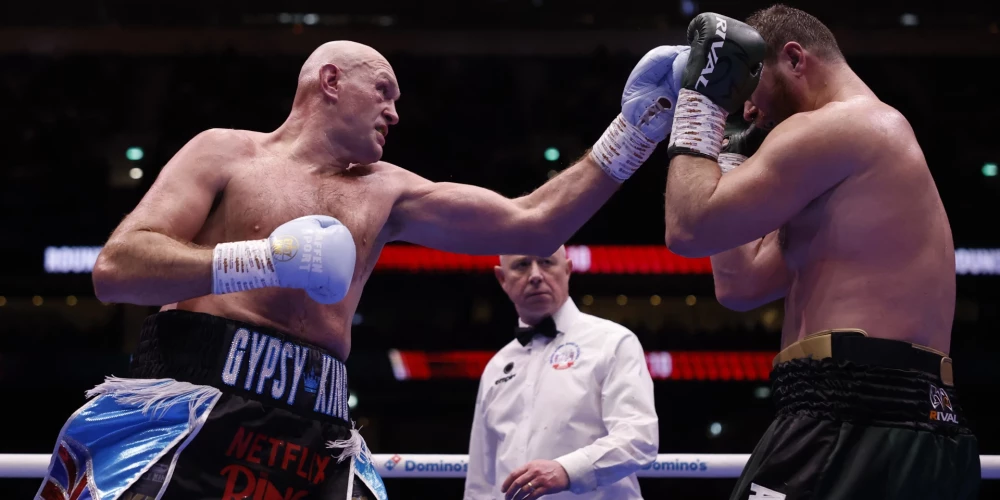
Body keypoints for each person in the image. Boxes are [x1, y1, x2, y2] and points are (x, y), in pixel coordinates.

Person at [35, 41, 689, 500]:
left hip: (316, 431)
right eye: (384, 91)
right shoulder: (225, 154)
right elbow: (117, 269)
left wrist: (635, 130)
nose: (395, 112)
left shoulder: (388, 191)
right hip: (196, 399)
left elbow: (534, 223)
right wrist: (263, 260)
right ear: (329, 81)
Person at [661, 6, 980, 499]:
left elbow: (688, 228)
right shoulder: (861, 152)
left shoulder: (841, 125)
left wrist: (702, 103)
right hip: (909, 422)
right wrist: (727, 152)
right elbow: (741, 284)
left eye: (750, 86)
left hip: (853, 412)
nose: (748, 110)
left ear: (794, 59)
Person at [463, 246, 658, 500]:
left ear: (567, 269)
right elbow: (481, 482)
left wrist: (568, 470)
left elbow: (639, 438)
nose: (535, 275)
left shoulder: (613, 342)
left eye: (546, 262)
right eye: (522, 265)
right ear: (502, 278)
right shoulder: (497, 366)